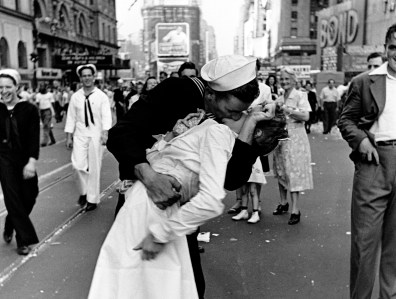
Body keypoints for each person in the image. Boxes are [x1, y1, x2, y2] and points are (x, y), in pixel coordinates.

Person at [89, 55, 272, 298]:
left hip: (181, 216)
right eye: (232, 110)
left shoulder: (230, 118)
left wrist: (250, 126)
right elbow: (121, 134)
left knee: (186, 286)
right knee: (131, 286)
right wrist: (150, 177)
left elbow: (232, 179)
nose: (235, 117)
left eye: (241, 113)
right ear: (211, 94)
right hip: (145, 202)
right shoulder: (177, 91)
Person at [338, 23, 396, 299]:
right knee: (364, 243)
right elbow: (345, 119)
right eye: (394, 47)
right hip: (374, 162)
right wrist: (360, 140)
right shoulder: (364, 81)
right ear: (386, 49)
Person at [0, 69, 40, 255]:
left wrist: (31, 162)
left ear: (17, 87)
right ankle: (23, 240)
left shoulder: (29, 110)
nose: (4, 90)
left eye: (8, 86)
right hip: (4, 160)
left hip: (24, 158)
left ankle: (10, 222)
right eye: (0, 87)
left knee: (29, 196)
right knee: (13, 197)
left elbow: (33, 137)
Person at [64, 64, 112, 212]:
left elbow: (106, 116)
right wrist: (69, 137)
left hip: (96, 135)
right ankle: (83, 192)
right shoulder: (75, 97)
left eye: (89, 75)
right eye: (84, 76)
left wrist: (105, 133)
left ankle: (92, 199)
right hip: (80, 135)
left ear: (93, 76)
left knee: (94, 168)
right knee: (77, 166)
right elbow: (71, 117)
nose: (87, 78)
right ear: (80, 78)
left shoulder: (101, 96)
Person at [272, 67, 313, 225]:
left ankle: (295, 209)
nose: (284, 82)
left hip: (296, 139)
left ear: (294, 80)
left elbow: (306, 116)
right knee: (281, 171)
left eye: (287, 79)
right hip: (281, 138)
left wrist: (286, 110)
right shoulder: (280, 97)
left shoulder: (300, 95)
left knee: (293, 172)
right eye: (282, 79)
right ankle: (284, 203)